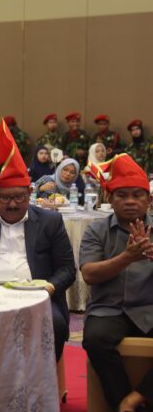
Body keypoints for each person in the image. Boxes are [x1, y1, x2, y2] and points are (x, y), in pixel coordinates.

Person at [0, 120, 75, 361]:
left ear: (30, 193)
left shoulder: (50, 221)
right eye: (5, 198)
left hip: (38, 297)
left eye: (19, 198)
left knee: (55, 324)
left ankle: (42, 380)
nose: (12, 204)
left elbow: (67, 269)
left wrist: (47, 288)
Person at [80, 154, 153, 412]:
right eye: (122, 195)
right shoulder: (96, 230)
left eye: (137, 195)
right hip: (109, 309)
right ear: (109, 199)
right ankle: (127, 404)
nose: (130, 201)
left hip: (149, 307)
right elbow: (89, 274)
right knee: (95, 339)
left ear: (149, 200)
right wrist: (127, 257)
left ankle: (133, 400)